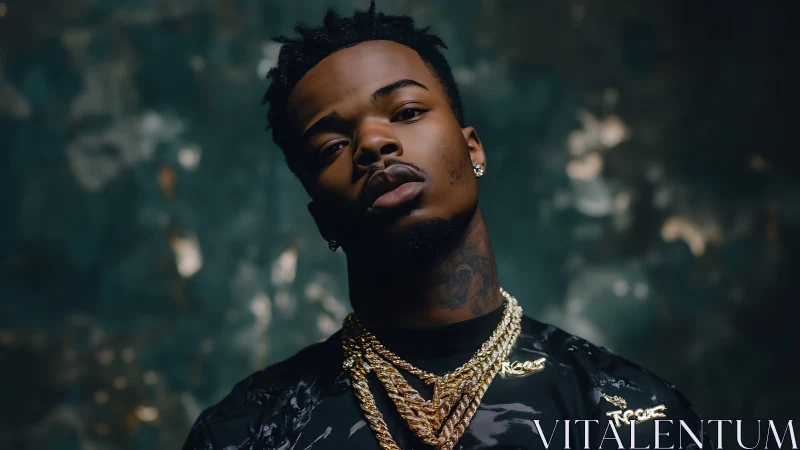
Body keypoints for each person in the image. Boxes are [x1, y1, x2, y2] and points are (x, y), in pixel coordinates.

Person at [183, 2, 711, 449]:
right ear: (322, 217)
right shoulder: (249, 432)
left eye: (407, 111)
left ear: (472, 147)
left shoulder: (633, 416)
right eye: (333, 146)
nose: (373, 145)